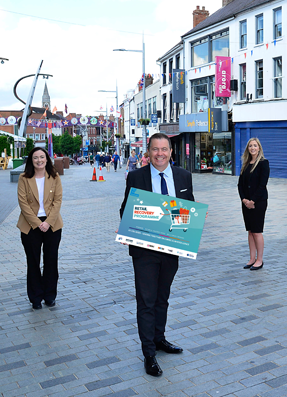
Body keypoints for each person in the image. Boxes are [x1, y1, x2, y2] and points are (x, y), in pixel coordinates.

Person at [119, 133, 194, 377]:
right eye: (155, 149)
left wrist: (184, 221)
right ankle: (149, 353)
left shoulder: (183, 176)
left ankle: (159, 339)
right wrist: (149, 217)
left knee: (163, 297)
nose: (160, 153)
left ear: (171, 151)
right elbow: (125, 211)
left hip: (172, 248)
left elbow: (189, 208)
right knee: (147, 300)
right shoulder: (136, 177)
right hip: (145, 251)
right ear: (148, 152)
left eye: (164, 149)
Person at [17, 147, 63, 310]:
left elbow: (57, 201)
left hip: (52, 224)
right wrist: (37, 223)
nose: (39, 160)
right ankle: (35, 297)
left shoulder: (54, 176)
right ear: (31, 160)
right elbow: (22, 203)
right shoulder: (24, 178)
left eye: (42, 157)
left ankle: (50, 296)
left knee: (51, 261)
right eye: (35, 158)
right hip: (30, 225)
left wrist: (48, 222)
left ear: (46, 159)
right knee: (33, 262)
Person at [238, 138, 270, 270]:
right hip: (246, 203)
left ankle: (259, 260)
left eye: (255, 146)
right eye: (250, 146)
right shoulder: (245, 164)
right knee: (250, 231)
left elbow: (263, 184)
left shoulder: (263, 163)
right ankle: (252, 258)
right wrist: (244, 200)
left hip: (259, 202)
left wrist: (253, 201)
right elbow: (240, 184)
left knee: (257, 231)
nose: (252, 148)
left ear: (259, 148)